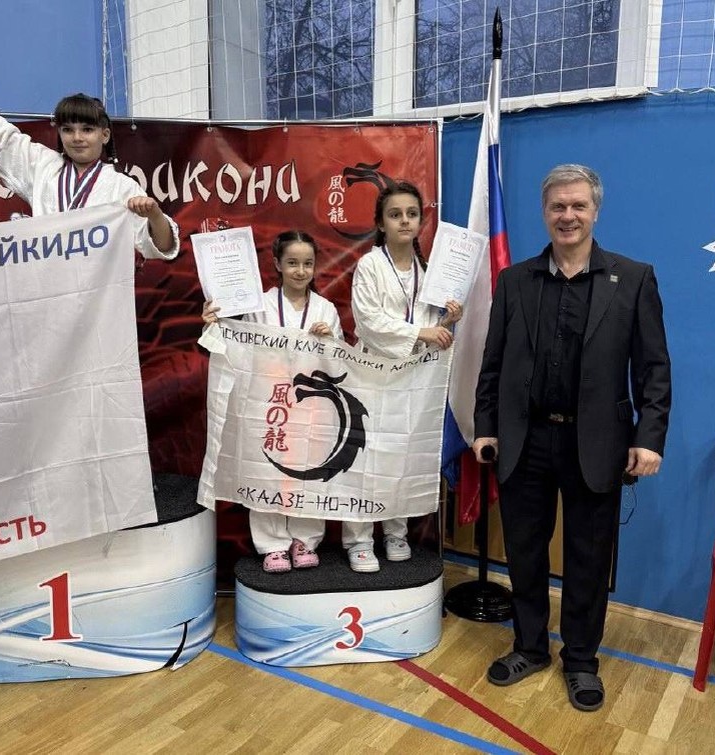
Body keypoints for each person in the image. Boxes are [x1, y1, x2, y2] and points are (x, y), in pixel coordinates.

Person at [473, 164, 671, 712]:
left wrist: (649, 437)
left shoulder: (633, 278)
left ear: (595, 211)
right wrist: (486, 426)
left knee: (588, 558)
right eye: (557, 206)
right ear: (545, 213)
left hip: (597, 444)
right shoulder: (514, 281)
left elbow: (654, 368)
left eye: (578, 205)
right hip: (525, 440)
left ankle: (581, 660)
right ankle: (530, 647)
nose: (568, 215)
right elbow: (493, 363)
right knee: (525, 553)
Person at [203, 230, 343, 573]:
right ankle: (273, 545)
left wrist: (329, 341)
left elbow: (341, 364)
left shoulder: (325, 309)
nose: (300, 271)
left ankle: (305, 540)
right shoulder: (259, 305)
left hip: (311, 405)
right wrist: (216, 323)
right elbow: (237, 346)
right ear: (277, 264)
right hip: (269, 403)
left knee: (309, 472)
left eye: (307, 263)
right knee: (265, 471)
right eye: (292, 263)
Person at [346, 180, 463, 573]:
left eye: (412, 214)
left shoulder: (428, 271)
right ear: (381, 223)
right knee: (367, 458)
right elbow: (368, 321)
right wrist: (422, 332)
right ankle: (360, 539)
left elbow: (432, 330)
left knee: (402, 457)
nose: (405, 221)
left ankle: (395, 532)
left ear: (420, 221)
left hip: (413, 380)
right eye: (395, 215)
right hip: (373, 375)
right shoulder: (370, 266)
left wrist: (447, 320)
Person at [0, 54, 178, 259]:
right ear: (60, 133)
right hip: (48, 277)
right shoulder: (42, 166)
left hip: (99, 281)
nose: (77, 138)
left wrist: (155, 215)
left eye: (87, 130)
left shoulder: (122, 187)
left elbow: (163, 246)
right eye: (68, 130)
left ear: (105, 135)